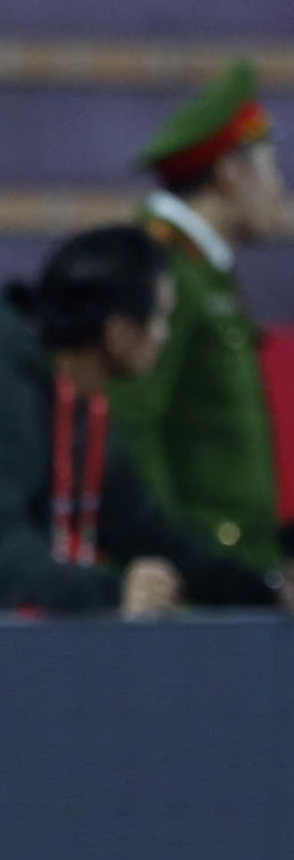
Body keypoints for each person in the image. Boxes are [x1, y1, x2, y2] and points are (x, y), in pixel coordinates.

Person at [0, 224, 287, 616]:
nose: (164, 335)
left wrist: (267, 589)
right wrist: (109, 595)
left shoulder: (82, 402)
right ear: (118, 333)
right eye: (160, 319)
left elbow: (147, 533)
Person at [108, 61, 285, 575]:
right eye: (272, 169)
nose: (279, 191)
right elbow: (135, 425)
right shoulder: (164, 269)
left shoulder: (203, 268)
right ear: (230, 172)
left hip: (232, 569)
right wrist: (170, 562)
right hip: (196, 582)